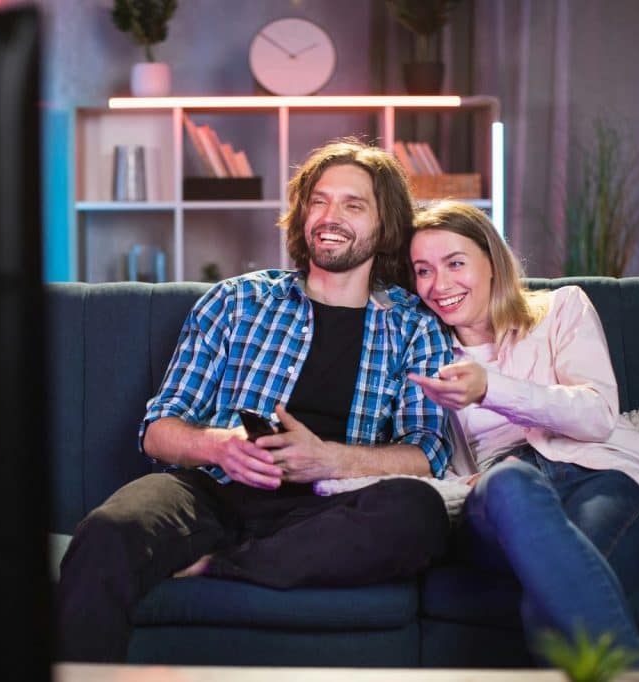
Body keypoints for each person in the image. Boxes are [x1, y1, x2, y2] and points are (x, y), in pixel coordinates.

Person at [56, 138, 455, 662]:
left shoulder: (413, 327)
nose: (329, 216)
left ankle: (221, 564)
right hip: (212, 491)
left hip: (328, 508)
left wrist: (330, 458)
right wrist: (220, 445)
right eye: (319, 200)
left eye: (353, 205)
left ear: (385, 226)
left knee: (419, 513)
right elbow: (159, 428)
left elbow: (427, 452)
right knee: (109, 532)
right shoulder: (237, 300)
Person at [406, 200, 639, 670]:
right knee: (508, 482)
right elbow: (423, 451)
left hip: (601, 474)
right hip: (505, 496)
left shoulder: (561, 309)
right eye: (422, 270)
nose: (438, 285)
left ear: (491, 261)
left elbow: (597, 415)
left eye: (455, 263)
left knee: (562, 586)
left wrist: (491, 389)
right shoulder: (421, 349)